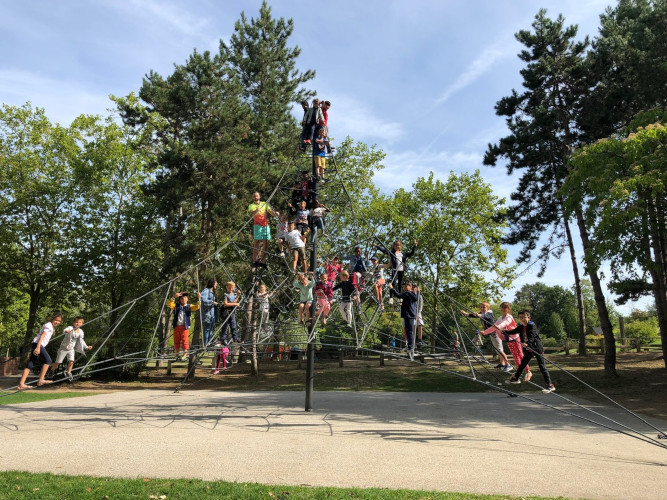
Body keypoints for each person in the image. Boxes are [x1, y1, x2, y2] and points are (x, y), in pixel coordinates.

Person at [507, 311, 555, 393]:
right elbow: (514, 331)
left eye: (524, 317)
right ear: (518, 318)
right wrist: (505, 331)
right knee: (522, 364)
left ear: (529, 318)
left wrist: (528, 344)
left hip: (536, 349)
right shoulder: (521, 326)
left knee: (542, 367)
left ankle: (550, 385)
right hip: (528, 349)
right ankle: (516, 378)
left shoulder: (532, 325)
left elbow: (532, 337)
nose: (522, 319)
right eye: (520, 317)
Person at [17, 312, 63, 390]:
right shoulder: (49, 326)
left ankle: (21, 384)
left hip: (36, 344)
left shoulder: (50, 326)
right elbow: (42, 336)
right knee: (48, 360)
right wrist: (38, 347)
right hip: (38, 344)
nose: (57, 322)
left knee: (30, 363)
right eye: (56, 320)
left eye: (59, 321)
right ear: (52, 319)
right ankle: (41, 380)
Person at [49, 316, 92, 381]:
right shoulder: (70, 328)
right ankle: (52, 371)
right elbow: (64, 331)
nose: (77, 324)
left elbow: (81, 341)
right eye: (76, 322)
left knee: (71, 361)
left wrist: (86, 347)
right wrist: (67, 331)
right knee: (58, 362)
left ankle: (69, 372)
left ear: (82, 324)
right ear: (73, 323)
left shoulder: (81, 331)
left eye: (79, 322)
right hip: (64, 348)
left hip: (71, 349)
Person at [482, 301, 517, 373]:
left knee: (518, 355)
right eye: (502, 308)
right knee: (513, 354)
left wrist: (499, 326)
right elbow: (493, 327)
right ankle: (505, 365)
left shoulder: (509, 317)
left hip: (515, 337)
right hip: (508, 338)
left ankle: (511, 366)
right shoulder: (500, 318)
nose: (503, 309)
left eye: (505, 308)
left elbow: (505, 323)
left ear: (509, 309)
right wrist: (485, 332)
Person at [248, 191, 279, 270]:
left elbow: (271, 212)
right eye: (254, 196)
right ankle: (255, 261)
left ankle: (263, 261)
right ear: (253, 197)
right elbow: (251, 213)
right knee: (257, 242)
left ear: (259, 196)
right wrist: (256, 210)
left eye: (257, 196)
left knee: (267, 242)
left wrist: (275, 213)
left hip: (265, 225)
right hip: (257, 226)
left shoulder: (264, 204)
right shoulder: (251, 205)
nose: (256, 197)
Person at [388, 282, 419, 358]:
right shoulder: (409, 294)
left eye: (406, 286)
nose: (404, 288)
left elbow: (399, 295)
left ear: (410, 287)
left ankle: (411, 346)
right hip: (407, 314)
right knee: (408, 331)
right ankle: (409, 346)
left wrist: (392, 289)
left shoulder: (409, 293)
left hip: (410, 315)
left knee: (410, 331)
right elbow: (410, 301)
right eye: (404, 286)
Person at [168, 291, 201, 359]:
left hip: (184, 327)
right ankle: (177, 354)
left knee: (185, 340)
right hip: (177, 326)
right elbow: (170, 304)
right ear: (180, 300)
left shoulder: (189, 306)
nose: (184, 300)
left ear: (187, 299)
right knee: (176, 340)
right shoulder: (176, 306)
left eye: (185, 298)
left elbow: (197, 306)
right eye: (182, 299)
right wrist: (173, 297)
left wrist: (199, 298)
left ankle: (185, 354)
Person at [200, 278, 219, 347]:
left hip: (212, 314)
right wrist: (212, 302)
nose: (216, 285)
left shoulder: (212, 292)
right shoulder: (206, 291)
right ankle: (205, 343)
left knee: (210, 330)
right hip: (207, 314)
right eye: (216, 283)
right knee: (207, 329)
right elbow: (204, 300)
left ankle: (209, 342)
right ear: (212, 283)